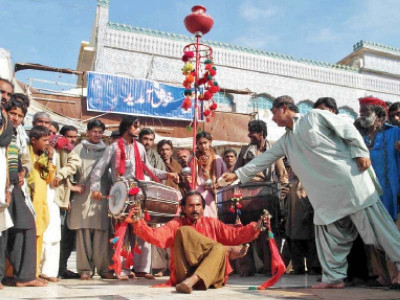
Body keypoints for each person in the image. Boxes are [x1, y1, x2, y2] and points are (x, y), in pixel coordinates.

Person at [222, 95, 400, 289]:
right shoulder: (286, 141)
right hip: (327, 196)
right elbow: (264, 159)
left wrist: (361, 152)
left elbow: (348, 128)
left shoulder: (314, 116)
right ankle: (333, 277)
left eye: (273, 113)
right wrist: (237, 175)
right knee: (327, 230)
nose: (272, 119)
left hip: (352, 185)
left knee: (380, 230)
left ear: (283, 108)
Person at [91, 116, 178, 279]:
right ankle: (121, 269)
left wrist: (168, 174)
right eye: (136, 127)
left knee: (141, 230)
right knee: (122, 232)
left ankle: (141, 269)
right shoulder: (113, 148)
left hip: (139, 194)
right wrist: (95, 189)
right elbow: (98, 170)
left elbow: (148, 169)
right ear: (127, 128)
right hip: (120, 194)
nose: (138, 130)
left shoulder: (139, 147)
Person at [132, 190, 265, 294]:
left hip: (210, 279)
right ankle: (224, 252)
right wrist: (138, 221)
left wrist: (255, 227)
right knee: (184, 231)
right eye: (190, 206)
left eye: (198, 205)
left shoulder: (212, 223)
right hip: (184, 274)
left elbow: (235, 234)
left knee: (219, 248)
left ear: (202, 208)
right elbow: (156, 236)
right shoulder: (176, 224)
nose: (195, 209)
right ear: (183, 208)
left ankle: (195, 279)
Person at [233, 119, 288, 277]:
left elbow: (282, 174)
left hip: (267, 195)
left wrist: (283, 191)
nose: (249, 135)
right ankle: (247, 269)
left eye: (252, 132)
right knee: (246, 232)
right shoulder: (245, 150)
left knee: (267, 232)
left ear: (261, 134)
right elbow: (237, 171)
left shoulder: (273, 151)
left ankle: (269, 268)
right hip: (246, 195)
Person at [356, 97, 400, 288]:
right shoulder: (359, 137)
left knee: (392, 233)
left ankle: (397, 275)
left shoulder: (395, 133)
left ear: (379, 114)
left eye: (366, 110)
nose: (361, 114)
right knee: (373, 235)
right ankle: (382, 275)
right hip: (367, 192)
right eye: (361, 111)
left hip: (392, 191)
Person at [4, 99, 45, 287]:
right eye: (13, 113)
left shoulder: (19, 134)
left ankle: (25, 276)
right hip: (3, 184)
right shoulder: (3, 130)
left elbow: (24, 159)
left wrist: (23, 172)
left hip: (16, 185)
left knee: (26, 226)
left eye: (20, 115)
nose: (16, 118)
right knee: (3, 230)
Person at [67, 120, 114, 280]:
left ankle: (104, 268)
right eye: (94, 131)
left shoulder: (107, 150)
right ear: (87, 132)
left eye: (100, 132)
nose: (97, 134)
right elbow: (69, 169)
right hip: (82, 196)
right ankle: (84, 269)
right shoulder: (79, 148)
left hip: (101, 197)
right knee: (83, 233)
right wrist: (71, 186)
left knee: (102, 233)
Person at [27, 126, 57, 278]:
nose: (47, 143)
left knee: (38, 237)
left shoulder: (44, 156)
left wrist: (50, 158)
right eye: (44, 140)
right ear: (33, 140)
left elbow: (48, 178)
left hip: (40, 204)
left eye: (48, 140)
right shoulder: (27, 154)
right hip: (28, 201)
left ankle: (34, 273)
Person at [55, 125, 81, 279]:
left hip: (70, 200)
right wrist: (70, 188)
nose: (72, 139)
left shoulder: (73, 150)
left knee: (68, 237)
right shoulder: (59, 149)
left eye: (74, 136)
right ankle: (56, 268)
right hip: (61, 197)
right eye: (69, 136)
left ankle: (62, 267)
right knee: (60, 235)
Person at [195, 131, 227, 218]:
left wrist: (218, 184)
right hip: (198, 190)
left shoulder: (217, 159)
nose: (203, 146)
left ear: (210, 143)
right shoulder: (194, 159)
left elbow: (226, 178)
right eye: (200, 143)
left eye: (205, 143)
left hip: (215, 191)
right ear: (197, 144)